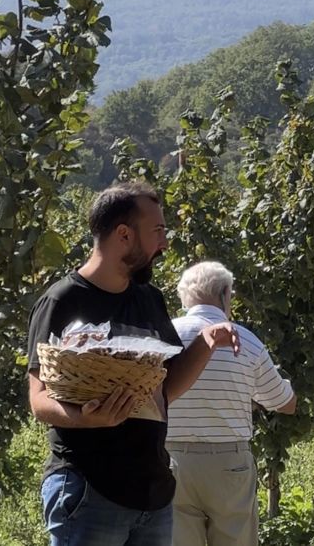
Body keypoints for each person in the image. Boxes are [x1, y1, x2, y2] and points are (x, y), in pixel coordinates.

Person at [26, 182, 240, 546]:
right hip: (90, 491)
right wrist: (85, 418)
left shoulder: (148, 300)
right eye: (157, 231)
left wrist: (205, 343)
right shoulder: (62, 301)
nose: (165, 244)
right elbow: (38, 398)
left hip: (153, 495)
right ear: (124, 234)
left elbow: (163, 390)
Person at [166, 261, 297, 546]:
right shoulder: (245, 340)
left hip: (171, 459)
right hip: (228, 461)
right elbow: (284, 402)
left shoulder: (167, 334)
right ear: (225, 294)